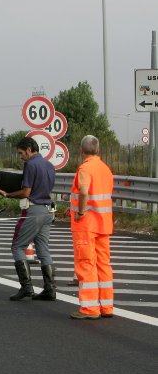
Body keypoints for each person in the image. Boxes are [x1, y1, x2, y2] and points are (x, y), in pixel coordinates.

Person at [0, 137, 56, 301]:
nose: (20, 156)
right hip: (48, 210)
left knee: (17, 246)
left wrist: (7, 194)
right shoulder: (49, 165)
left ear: (29, 149)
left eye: (21, 153)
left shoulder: (30, 164)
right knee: (43, 249)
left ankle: (26, 287)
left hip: (33, 209)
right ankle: (50, 289)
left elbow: (26, 192)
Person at [69, 135, 114, 320]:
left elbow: (84, 190)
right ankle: (106, 306)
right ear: (97, 150)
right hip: (103, 223)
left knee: (86, 263)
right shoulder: (105, 168)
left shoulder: (85, 168)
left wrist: (80, 212)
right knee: (104, 264)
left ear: (81, 150)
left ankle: (89, 309)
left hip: (87, 224)